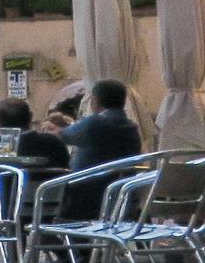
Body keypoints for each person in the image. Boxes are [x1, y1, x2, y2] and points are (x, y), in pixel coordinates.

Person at [57, 79, 144, 220]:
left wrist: (53, 128)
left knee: (50, 198)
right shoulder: (132, 128)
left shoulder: (95, 123)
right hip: (121, 200)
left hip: (86, 200)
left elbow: (63, 136)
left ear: (95, 101)